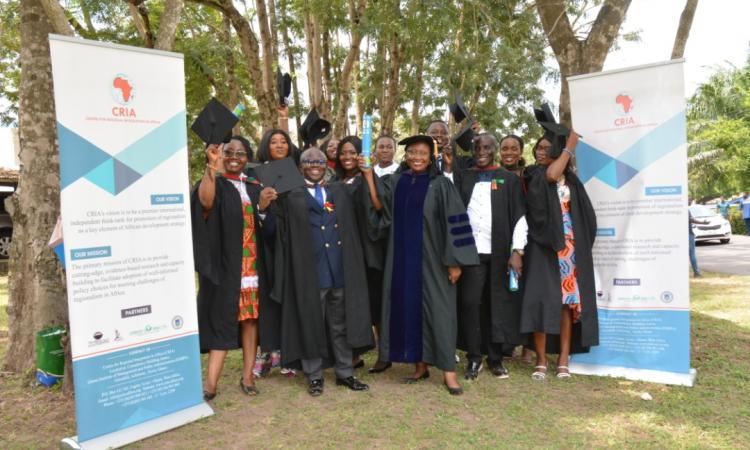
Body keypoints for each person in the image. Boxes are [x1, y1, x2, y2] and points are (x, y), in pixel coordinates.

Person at [366, 135, 479, 395]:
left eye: (423, 153)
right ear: (406, 156)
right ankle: (420, 366)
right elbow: (378, 205)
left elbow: (456, 222)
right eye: (412, 152)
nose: (417, 157)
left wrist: (455, 263)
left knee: (440, 314)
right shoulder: (396, 182)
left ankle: (449, 372)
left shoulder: (440, 185)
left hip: (434, 261)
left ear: (431, 157)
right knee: (409, 311)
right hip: (402, 261)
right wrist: (367, 174)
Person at [272, 147, 373, 396]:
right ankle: (314, 375)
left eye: (318, 160)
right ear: (300, 166)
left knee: (341, 324)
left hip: (339, 269)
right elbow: (277, 233)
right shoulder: (290, 196)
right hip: (309, 272)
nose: (314, 165)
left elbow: (364, 214)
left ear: (326, 164)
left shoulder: (339, 190)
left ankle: (345, 372)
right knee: (311, 323)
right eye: (308, 161)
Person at [191, 136, 279, 400]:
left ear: (247, 158)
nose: (234, 157)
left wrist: (263, 208)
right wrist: (211, 166)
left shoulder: (254, 186)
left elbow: (269, 228)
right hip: (225, 267)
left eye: (241, 153)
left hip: (253, 266)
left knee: (250, 321)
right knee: (221, 319)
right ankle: (210, 384)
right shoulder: (214, 182)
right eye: (229, 152)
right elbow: (205, 203)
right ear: (220, 153)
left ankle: (248, 376)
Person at [520, 132, 599, 380]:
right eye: (538, 148)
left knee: (566, 304)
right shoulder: (534, 174)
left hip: (569, 251)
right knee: (542, 301)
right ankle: (541, 360)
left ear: (555, 149)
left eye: (545, 148)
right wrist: (570, 146)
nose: (540, 152)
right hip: (543, 248)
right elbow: (551, 176)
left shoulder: (573, 182)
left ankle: (563, 359)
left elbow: (586, 217)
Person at [454, 133, 527, 380]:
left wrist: (517, 251)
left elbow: (520, 217)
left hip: (499, 253)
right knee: (470, 304)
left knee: (498, 304)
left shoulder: (508, 179)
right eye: (477, 147)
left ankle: (495, 358)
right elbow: (455, 215)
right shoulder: (464, 177)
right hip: (471, 253)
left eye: (486, 147)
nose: (482, 151)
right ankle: (474, 357)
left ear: (494, 150)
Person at [331, 136, 387, 370]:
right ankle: (353, 354)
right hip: (340, 249)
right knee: (348, 305)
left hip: (366, 248)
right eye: (342, 153)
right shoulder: (334, 181)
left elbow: (378, 206)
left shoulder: (367, 176)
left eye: (351, 152)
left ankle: (385, 353)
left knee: (374, 302)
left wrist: (367, 175)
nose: (346, 157)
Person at [250, 128, 298, 378]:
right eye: (274, 142)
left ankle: (288, 353)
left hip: (293, 245)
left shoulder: (298, 175)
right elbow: (255, 216)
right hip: (268, 246)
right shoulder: (256, 176)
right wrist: (263, 206)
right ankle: (267, 351)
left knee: (291, 297)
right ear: (266, 146)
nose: (279, 145)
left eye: (284, 141)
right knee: (268, 298)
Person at [689, 205, 710, 277]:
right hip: (688, 234)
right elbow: (691, 219)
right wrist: (703, 223)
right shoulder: (685, 209)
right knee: (692, 254)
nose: (690, 202)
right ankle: (697, 273)